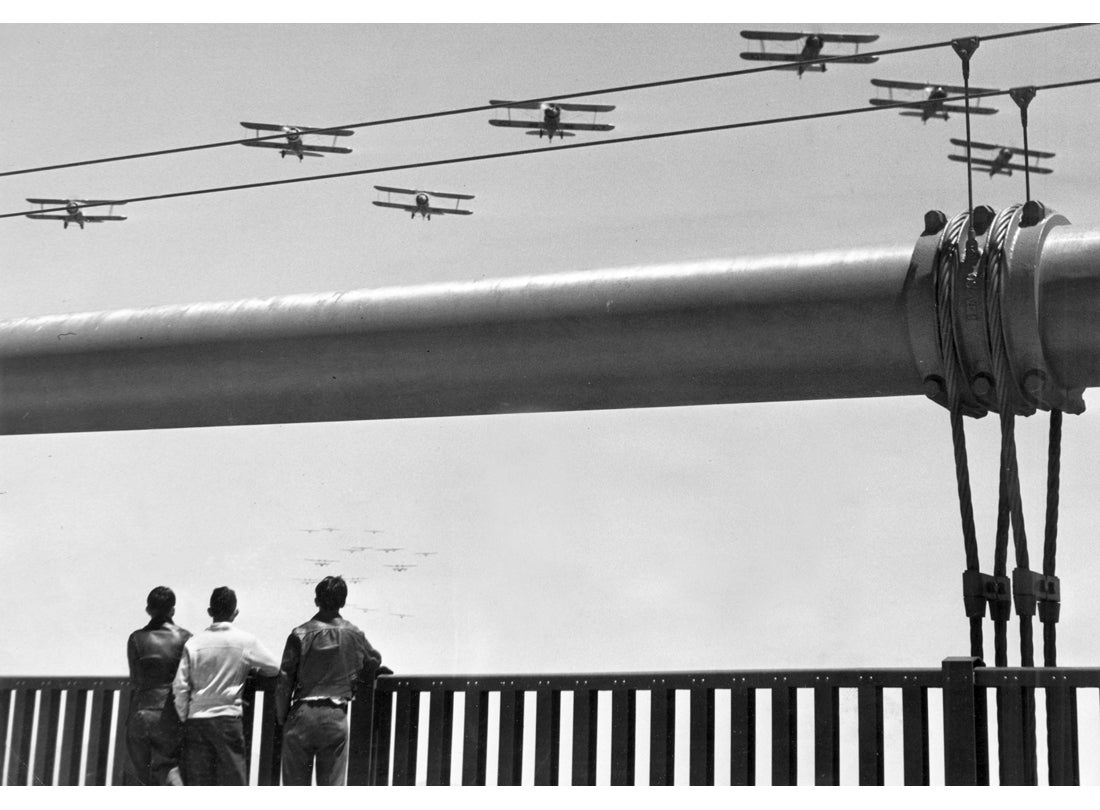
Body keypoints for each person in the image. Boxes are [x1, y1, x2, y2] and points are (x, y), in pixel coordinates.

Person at [275, 575, 384, 786]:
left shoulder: (299, 634)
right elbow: (374, 659)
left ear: (316, 600)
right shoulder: (354, 634)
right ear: (343, 602)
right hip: (336, 715)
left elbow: (284, 679)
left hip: (301, 714)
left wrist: (282, 717)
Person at [172, 586, 280, 786]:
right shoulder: (245, 641)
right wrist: (253, 671)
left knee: (199, 784)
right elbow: (274, 667)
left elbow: (180, 686)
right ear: (235, 612)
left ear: (210, 612)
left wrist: (184, 716)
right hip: (227, 719)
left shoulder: (194, 643)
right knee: (233, 783)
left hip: (196, 721)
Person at [126, 586, 191, 786]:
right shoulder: (185, 638)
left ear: (148, 609)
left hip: (140, 712)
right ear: (172, 610)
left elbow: (136, 679)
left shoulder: (135, 638)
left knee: (141, 777)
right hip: (169, 714)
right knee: (170, 767)